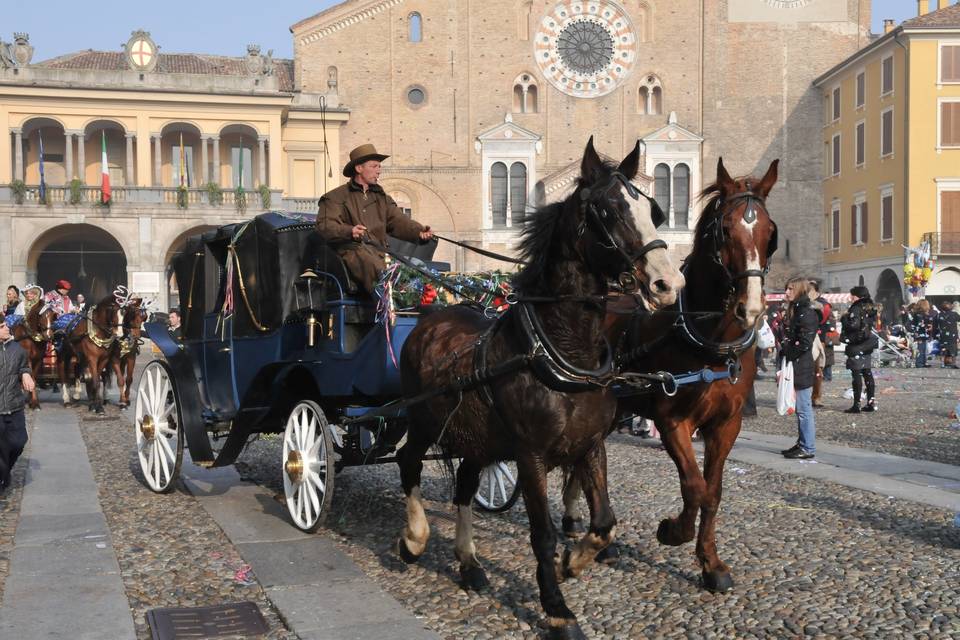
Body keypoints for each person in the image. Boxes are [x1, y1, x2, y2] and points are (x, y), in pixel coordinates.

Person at [315, 144, 434, 296]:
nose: (379, 170)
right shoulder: (335, 197)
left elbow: (398, 221)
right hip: (352, 253)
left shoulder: (382, 198)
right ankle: (390, 302)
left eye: (379, 166)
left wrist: (419, 231)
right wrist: (350, 231)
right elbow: (325, 226)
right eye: (374, 166)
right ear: (359, 168)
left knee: (416, 267)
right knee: (373, 264)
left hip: (380, 253)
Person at [779, 277, 819, 459]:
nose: (787, 292)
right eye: (786, 289)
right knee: (800, 409)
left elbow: (804, 342)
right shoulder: (797, 310)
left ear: (799, 290)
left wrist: (788, 352)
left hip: (801, 365)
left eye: (790, 289)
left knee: (804, 409)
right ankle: (802, 442)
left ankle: (808, 447)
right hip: (795, 364)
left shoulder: (806, 313)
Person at [0, 320, 35, 492]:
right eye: (1, 326)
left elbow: (23, 367)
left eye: (6, 325)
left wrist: (26, 374)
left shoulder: (18, 349)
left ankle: (4, 473)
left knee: (18, 443)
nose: (7, 327)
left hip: (14, 406)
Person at [840, 286, 879, 413]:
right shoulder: (870, 307)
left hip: (856, 343)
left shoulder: (856, 307)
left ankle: (856, 404)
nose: (851, 298)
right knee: (867, 372)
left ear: (858, 296)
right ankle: (870, 402)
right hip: (867, 343)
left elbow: (854, 325)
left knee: (856, 373)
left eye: (852, 295)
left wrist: (844, 319)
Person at [909, 299, 934, 368]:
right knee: (920, 348)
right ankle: (919, 363)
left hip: (924, 333)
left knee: (924, 348)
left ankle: (923, 362)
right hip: (920, 334)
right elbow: (919, 325)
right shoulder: (918, 315)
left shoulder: (921, 314)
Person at [936, 301, 959, 368]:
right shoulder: (954, 314)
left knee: (944, 350)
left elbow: (935, 326)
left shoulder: (938, 315)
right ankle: (953, 363)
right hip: (953, 336)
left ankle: (943, 363)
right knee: (953, 350)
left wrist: (934, 335)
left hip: (943, 336)